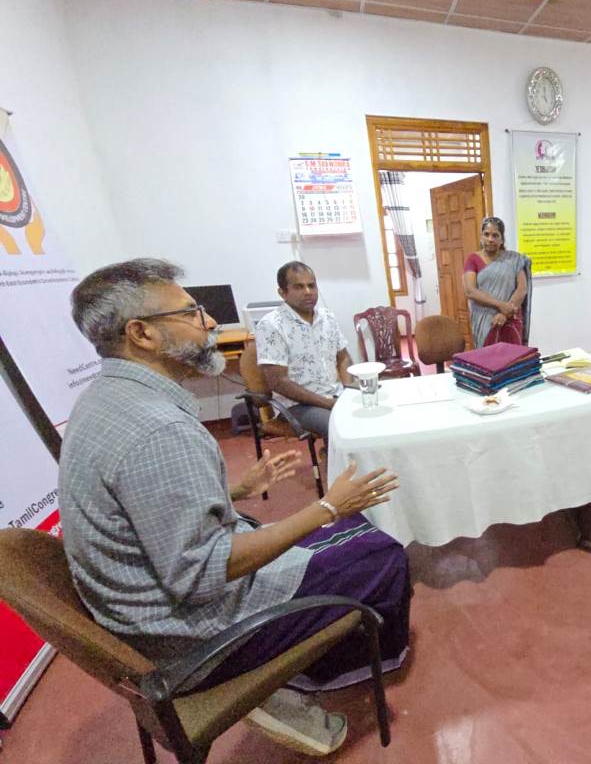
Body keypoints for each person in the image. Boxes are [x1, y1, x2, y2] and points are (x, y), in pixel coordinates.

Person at [60, 259, 410, 757]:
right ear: (142, 334)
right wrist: (326, 507)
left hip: (144, 614)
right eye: (190, 312)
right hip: (194, 640)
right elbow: (202, 576)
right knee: (384, 554)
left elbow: (143, 512)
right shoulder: (161, 430)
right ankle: (313, 671)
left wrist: (233, 492)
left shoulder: (108, 399)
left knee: (356, 527)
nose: (209, 322)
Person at [255, 261, 354, 443]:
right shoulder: (271, 325)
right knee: (341, 427)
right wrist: (329, 404)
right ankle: (335, 459)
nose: (308, 292)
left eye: (311, 285)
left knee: (375, 413)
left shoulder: (327, 318)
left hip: (336, 394)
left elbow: (344, 358)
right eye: (299, 287)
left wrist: (348, 391)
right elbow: (278, 382)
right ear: (283, 293)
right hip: (297, 406)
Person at [462, 216, 532, 348]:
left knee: (513, 357)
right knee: (487, 357)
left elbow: (522, 289)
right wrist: (501, 305)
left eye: (495, 235)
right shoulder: (473, 259)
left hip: (510, 318)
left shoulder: (514, 259)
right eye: (486, 234)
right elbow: (470, 291)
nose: (490, 239)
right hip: (485, 321)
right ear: (481, 237)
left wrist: (505, 313)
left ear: (502, 239)